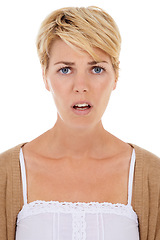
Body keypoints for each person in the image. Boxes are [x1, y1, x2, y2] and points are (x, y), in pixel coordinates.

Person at [0, 6, 160, 240]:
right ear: (45, 76)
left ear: (116, 76)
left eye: (97, 69)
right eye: (65, 69)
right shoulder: (5, 174)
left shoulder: (152, 175)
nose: (81, 85)